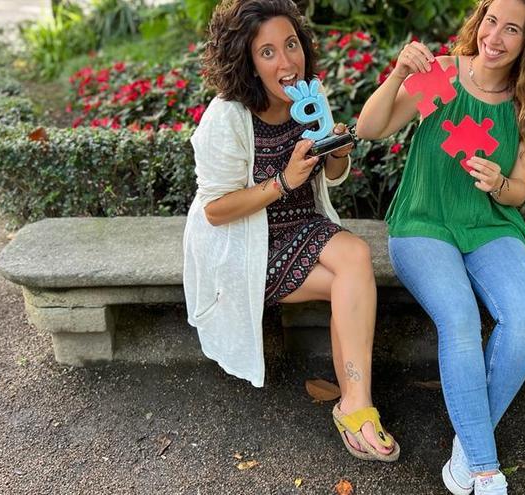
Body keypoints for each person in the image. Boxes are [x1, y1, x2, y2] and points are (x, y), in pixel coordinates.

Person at [182, 0, 399, 462]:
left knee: (356, 257)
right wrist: (282, 182)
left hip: (305, 227)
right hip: (249, 245)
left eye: (291, 45)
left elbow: (331, 176)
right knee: (351, 282)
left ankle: (355, 402)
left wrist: (336, 151)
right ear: (247, 61)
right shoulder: (226, 117)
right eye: (268, 52)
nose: (286, 62)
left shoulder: (308, 101)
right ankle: (356, 409)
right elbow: (216, 211)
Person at [356, 0, 525, 491]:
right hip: (425, 221)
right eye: (492, 21)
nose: (496, 36)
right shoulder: (444, 74)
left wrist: (497, 183)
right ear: (480, 20)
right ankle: (486, 470)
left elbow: (519, 190)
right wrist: (398, 73)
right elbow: (370, 129)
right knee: (461, 318)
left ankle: (467, 446)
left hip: (489, 226)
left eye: (513, 29)